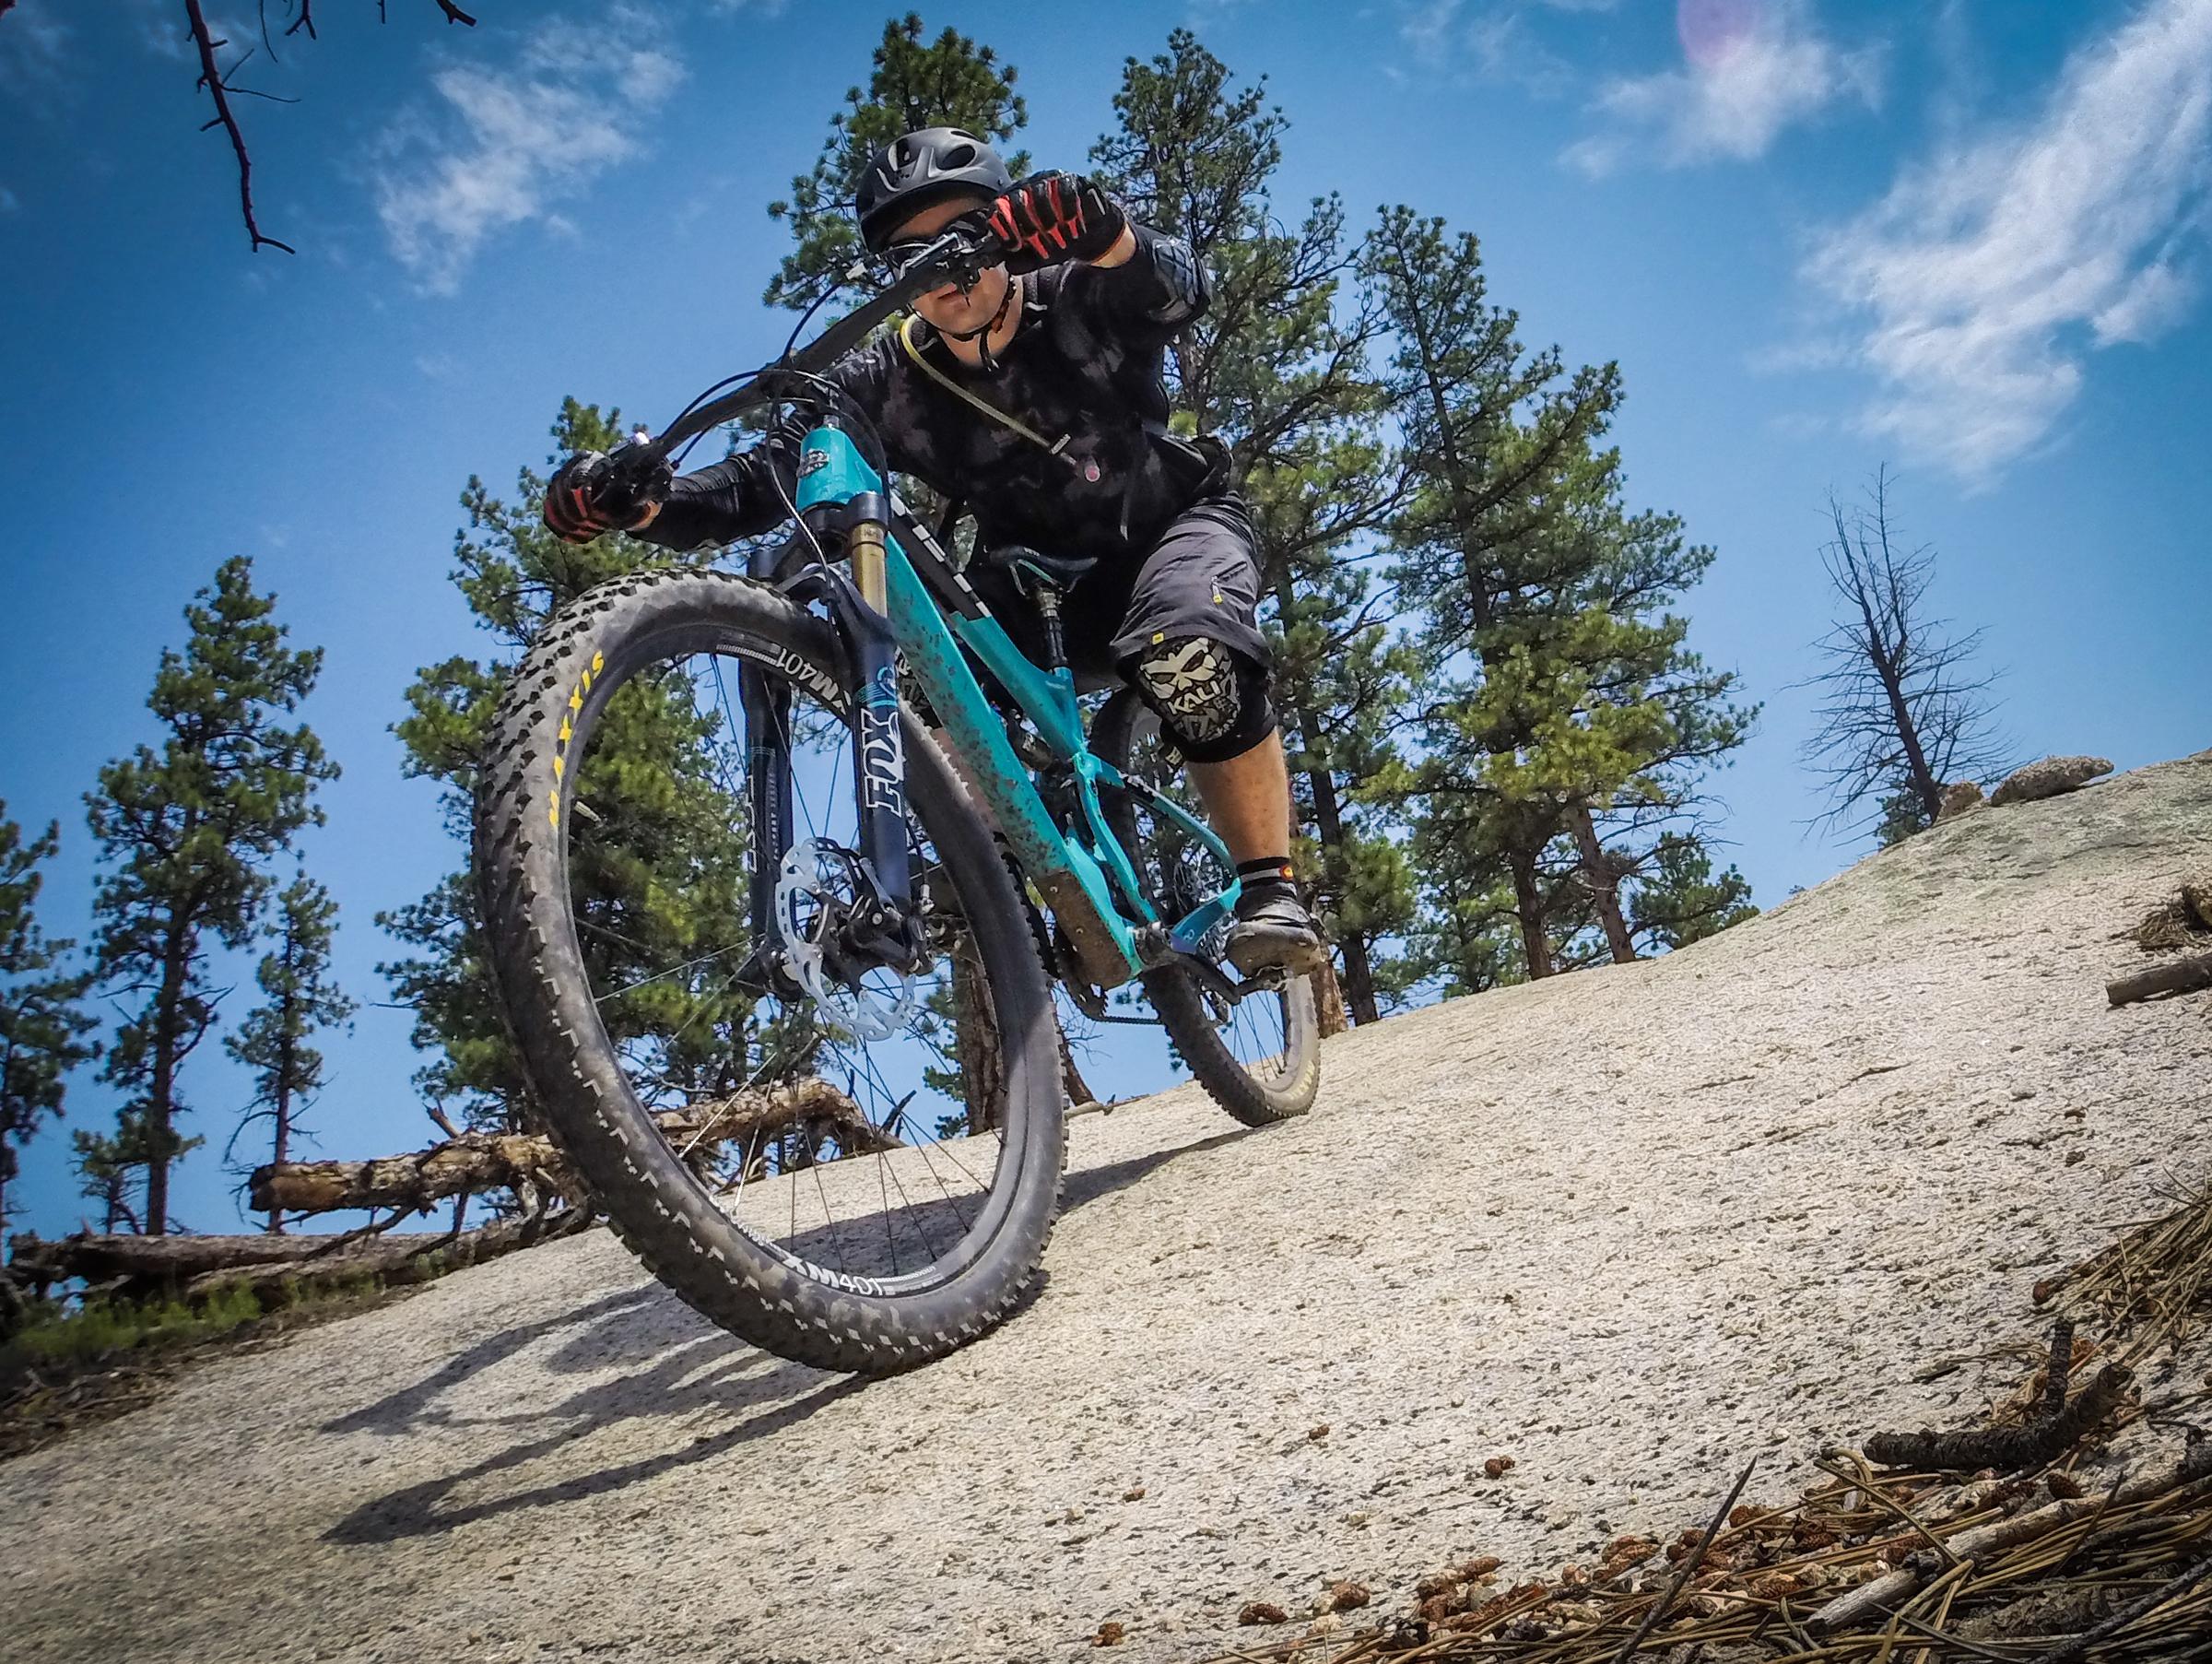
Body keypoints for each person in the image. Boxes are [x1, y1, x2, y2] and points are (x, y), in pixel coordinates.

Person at [543, 127, 1322, 976]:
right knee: (948, 696)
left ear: (1009, 230)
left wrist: (1107, 233)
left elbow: (1175, 291)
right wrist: (648, 505)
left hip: (1171, 533)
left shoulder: (1076, 295)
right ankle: (980, 866)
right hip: (1032, 589)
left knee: (1189, 648)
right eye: (912, 254)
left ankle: (1267, 888)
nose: (944, 266)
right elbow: (757, 485)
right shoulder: (887, 382)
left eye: (965, 235)